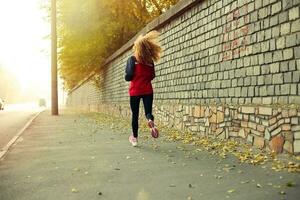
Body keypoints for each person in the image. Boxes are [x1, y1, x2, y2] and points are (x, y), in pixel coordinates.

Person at [125, 30, 162, 147]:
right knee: (148, 112)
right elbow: (152, 76)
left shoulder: (132, 60)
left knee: (135, 115)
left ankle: (134, 138)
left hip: (135, 91)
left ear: (138, 47)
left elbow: (128, 76)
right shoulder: (150, 62)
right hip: (148, 91)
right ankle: (150, 120)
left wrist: (130, 76)